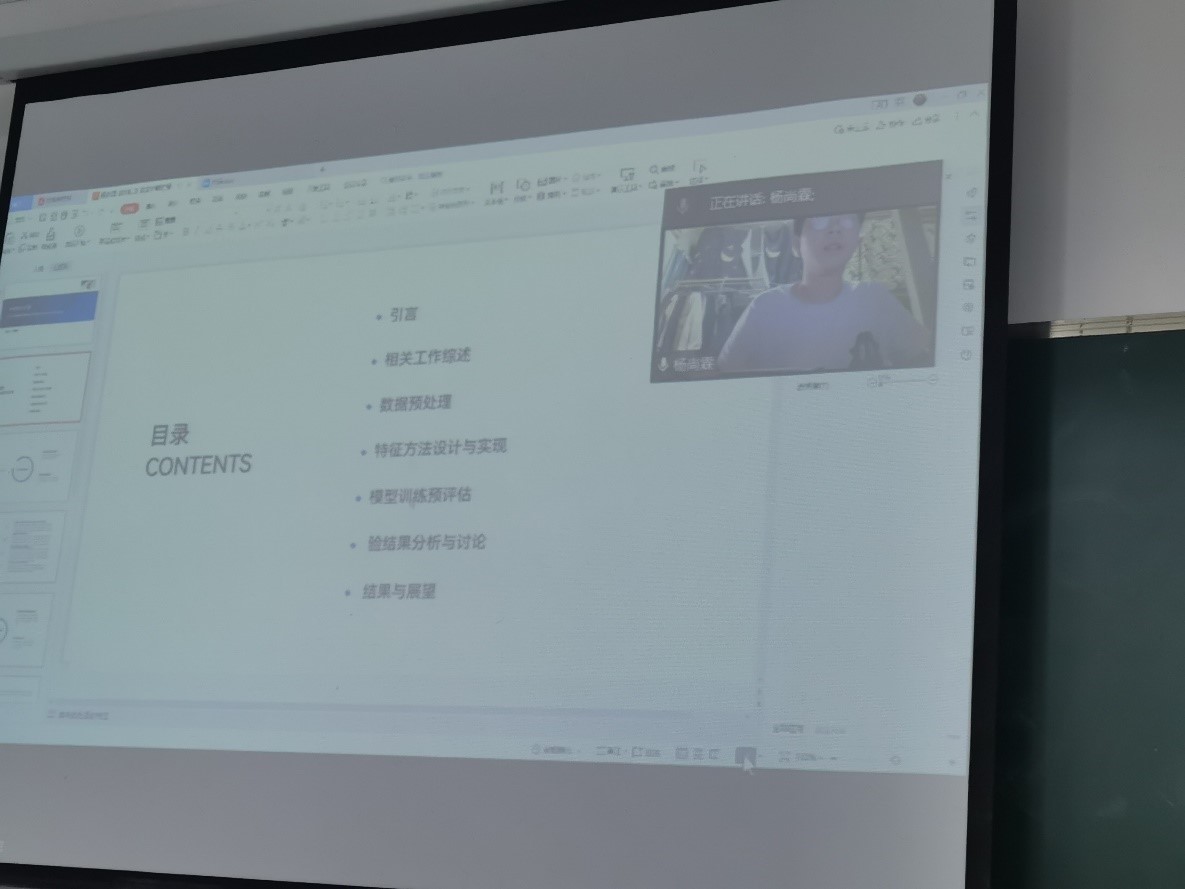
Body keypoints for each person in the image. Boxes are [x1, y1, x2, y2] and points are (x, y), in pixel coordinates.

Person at [715, 213, 931, 374]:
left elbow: (921, 358)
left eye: (846, 221)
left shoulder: (875, 298)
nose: (835, 229)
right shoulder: (765, 306)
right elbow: (727, 371)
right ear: (796, 245)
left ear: (856, 242)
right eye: (820, 221)